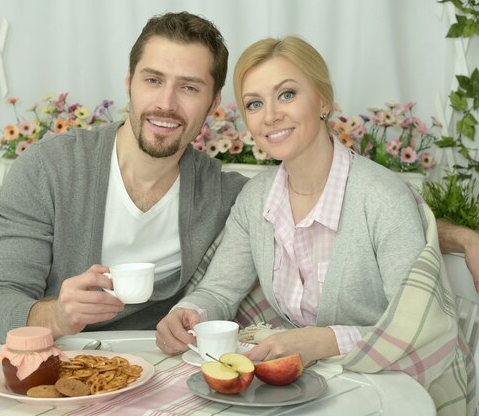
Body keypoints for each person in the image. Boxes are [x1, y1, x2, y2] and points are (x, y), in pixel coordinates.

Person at [155, 36, 474, 415]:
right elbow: (220, 292)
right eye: (255, 104)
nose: (270, 115)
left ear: (323, 101)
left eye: (287, 94)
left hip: (393, 388)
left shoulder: (383, 199)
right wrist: (189, 312)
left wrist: (320, 341)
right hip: (306, 390)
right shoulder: (256, 200)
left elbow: (417, 331)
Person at [0, 11, 248, 345]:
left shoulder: (224, 195)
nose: (166, 103)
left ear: (213, 102)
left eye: (189, 88)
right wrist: (57, 315)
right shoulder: (48, 170)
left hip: (146, 375)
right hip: (41, 366)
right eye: (153, 80)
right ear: (129, 81)